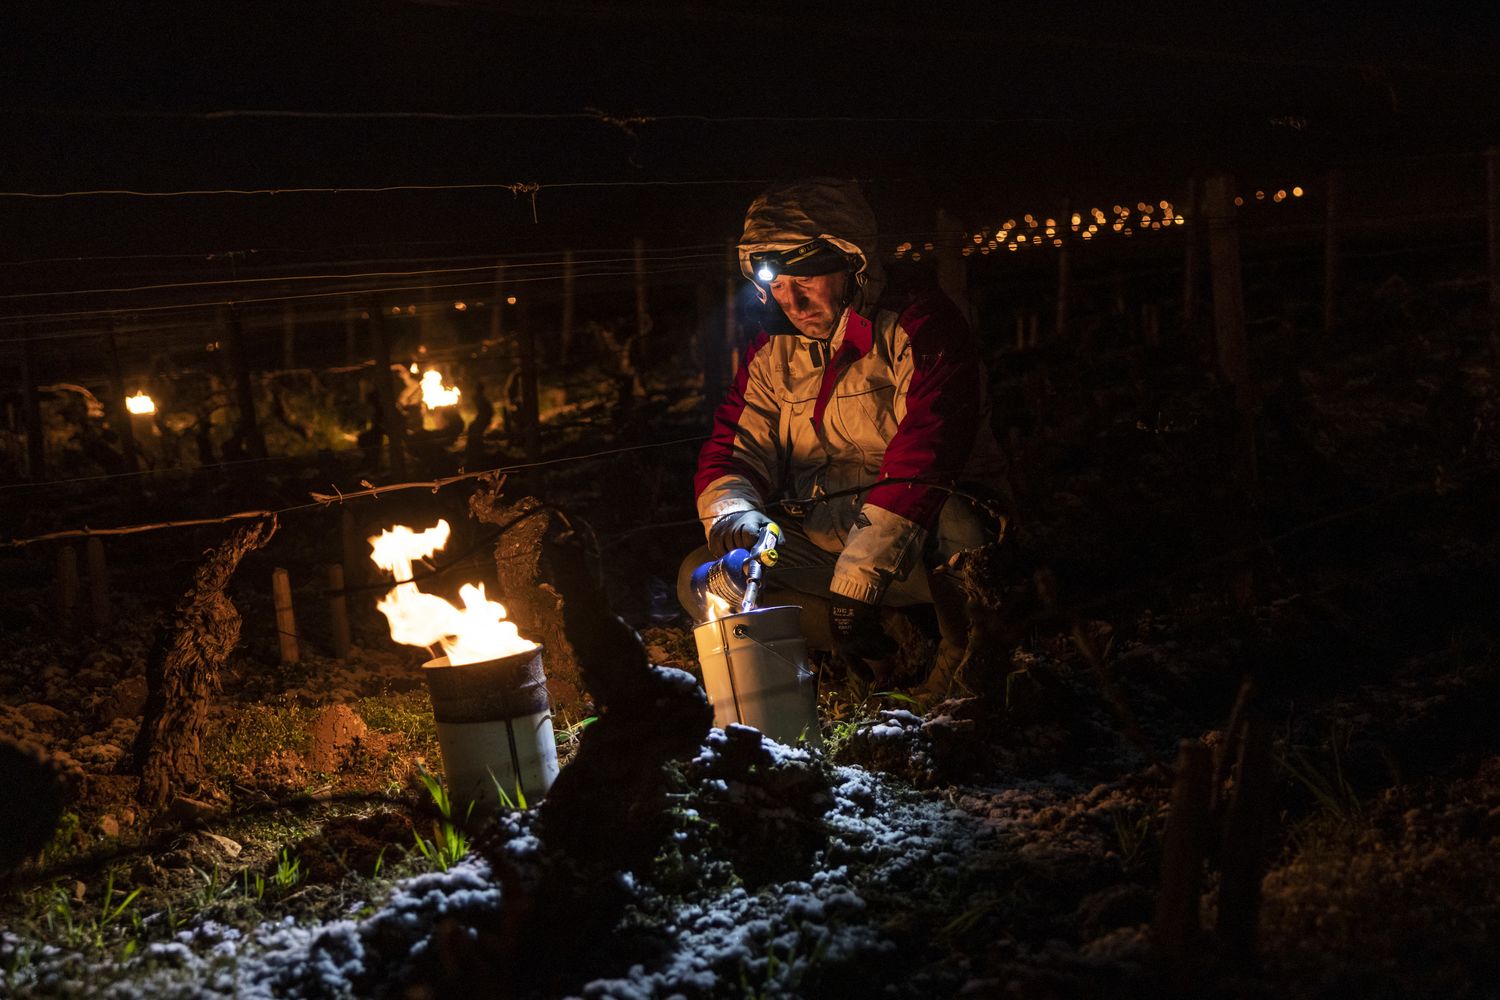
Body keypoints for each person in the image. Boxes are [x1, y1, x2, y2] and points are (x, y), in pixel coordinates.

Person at [677, 177, 1005, 693]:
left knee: (954, 511)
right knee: (705, 574)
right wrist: (739, 521)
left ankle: (966, 667)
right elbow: (733, 454)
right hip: (830, 543)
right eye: (777, 284)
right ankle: (867, 647)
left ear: (855, 264)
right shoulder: (772, 352)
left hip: (928, 552)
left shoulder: (918, 325)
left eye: (808, 276)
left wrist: (859, 583)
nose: (793, 299)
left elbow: (926, 454)